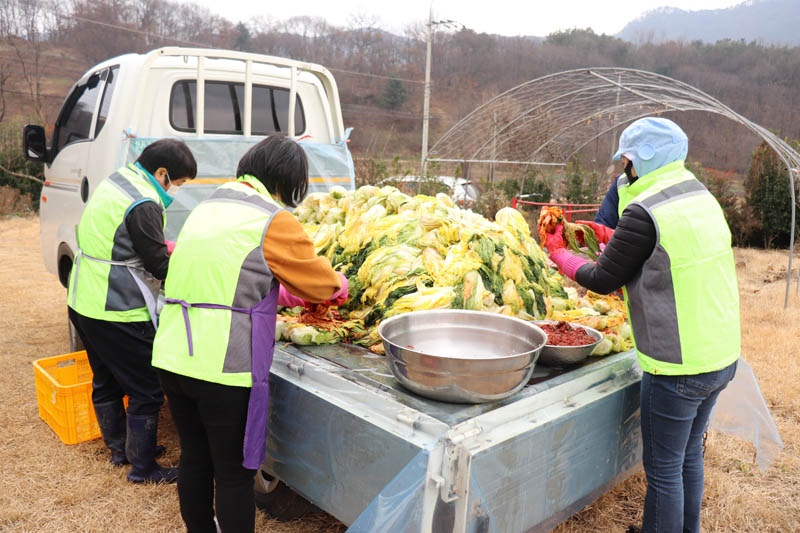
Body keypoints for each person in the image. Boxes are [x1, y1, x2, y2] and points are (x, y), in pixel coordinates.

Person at [543, 117, 739, 533]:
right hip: (721, 355)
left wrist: (559, 253)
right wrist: (598, 231)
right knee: (687, 457)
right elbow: (639, 247)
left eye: (627, 160)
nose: (622, 170)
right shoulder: (697, 195)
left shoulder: (645, 208)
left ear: (643, 161)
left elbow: (602, 278)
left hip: (677, 366)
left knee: (664, 470)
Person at [151, 135, 348, 533]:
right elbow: (323, 286)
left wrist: (282, 294)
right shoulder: (270, 218)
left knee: (194, 459)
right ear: (285, 180)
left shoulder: (207, 207)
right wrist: (342, 286)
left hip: (172, 352)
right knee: (233, 473)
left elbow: (226, 273)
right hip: (222, 365)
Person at [67, 138, 197, 484]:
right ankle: (143, 469)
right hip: (116, 306)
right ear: (163, 173)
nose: (177, 192)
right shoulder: (144, 202)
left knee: (106, 378)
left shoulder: (118, 180)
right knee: (147, 389)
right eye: (180, 184)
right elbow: (159, 264)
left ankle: (120, 450)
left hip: (83, 298)